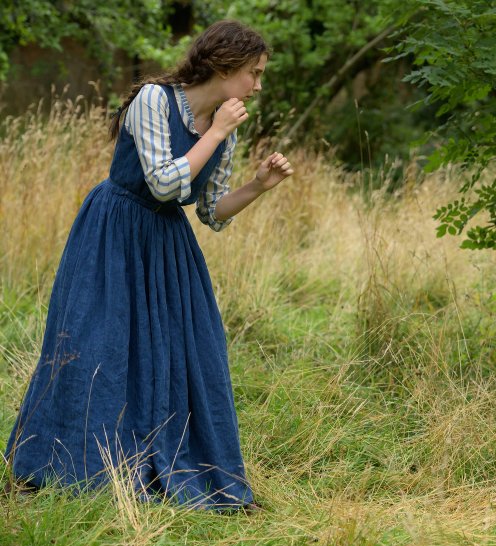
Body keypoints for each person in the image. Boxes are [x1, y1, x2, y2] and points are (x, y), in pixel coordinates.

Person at [5, 20, 293, 510]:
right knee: (97, 344)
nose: (258, 85)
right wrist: (218, 130)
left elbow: (209, 211)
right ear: (224, 65)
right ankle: (61, 468)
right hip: (113, 231)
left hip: (166, 243)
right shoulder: (155, 101)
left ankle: (175, 467)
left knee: (189, 350)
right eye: (254, 73)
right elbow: (163, 184)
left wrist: (257, 187)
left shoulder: (224, 130)